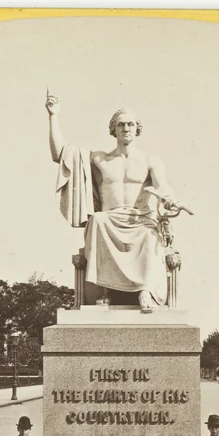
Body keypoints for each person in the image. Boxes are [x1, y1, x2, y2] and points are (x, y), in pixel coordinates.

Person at [46, 89, 191, 312]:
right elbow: (61, 155)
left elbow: (163, 187)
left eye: (131, 124)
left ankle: (146, 290)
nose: (126, 128)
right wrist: (53, 116)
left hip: (140, 219)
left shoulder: (149, 160)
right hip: (110, 218)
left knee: (149, 235)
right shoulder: (99, 159)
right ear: (113, 129)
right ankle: (107, 291)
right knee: (98, 221)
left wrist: (170, 201)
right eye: (121, 124)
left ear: (138, 129)